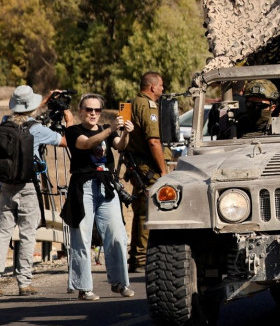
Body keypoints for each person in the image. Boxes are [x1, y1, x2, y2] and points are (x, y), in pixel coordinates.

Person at [62, 94, 134, 300]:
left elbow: (120, 145)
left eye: (97, 110)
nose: (93, 114)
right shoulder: (74, 130)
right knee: (82, 237)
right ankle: (84, 287)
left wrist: (125, 133)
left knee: (117, 234)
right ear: (80, 111)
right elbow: (86, 144)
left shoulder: (106, 130)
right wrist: (111, 129)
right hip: (83, 186)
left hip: (106, 186)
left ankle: (120, 283)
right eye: (89, 109)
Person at [0, 86, 68, 296]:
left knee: (2, 233)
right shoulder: (38, 129)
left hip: (5, 185)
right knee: (28, 234)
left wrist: (45, 100)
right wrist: (68, 118)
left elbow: (22, 114)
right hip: (29, 186)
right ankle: (24, 283)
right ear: (31, 106)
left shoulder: (4, 123)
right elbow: (65, 141)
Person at [124, 71, 166, 273]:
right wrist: (164, 171)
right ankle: (141, 260)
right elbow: (154, 141)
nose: (163, 89)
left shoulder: (132, 104)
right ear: (152, 87)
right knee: (148, 212)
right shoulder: (148, 106)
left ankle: (135, 259)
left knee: (140, 210)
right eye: (161, 86)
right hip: (147, 169)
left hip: (136, 167)